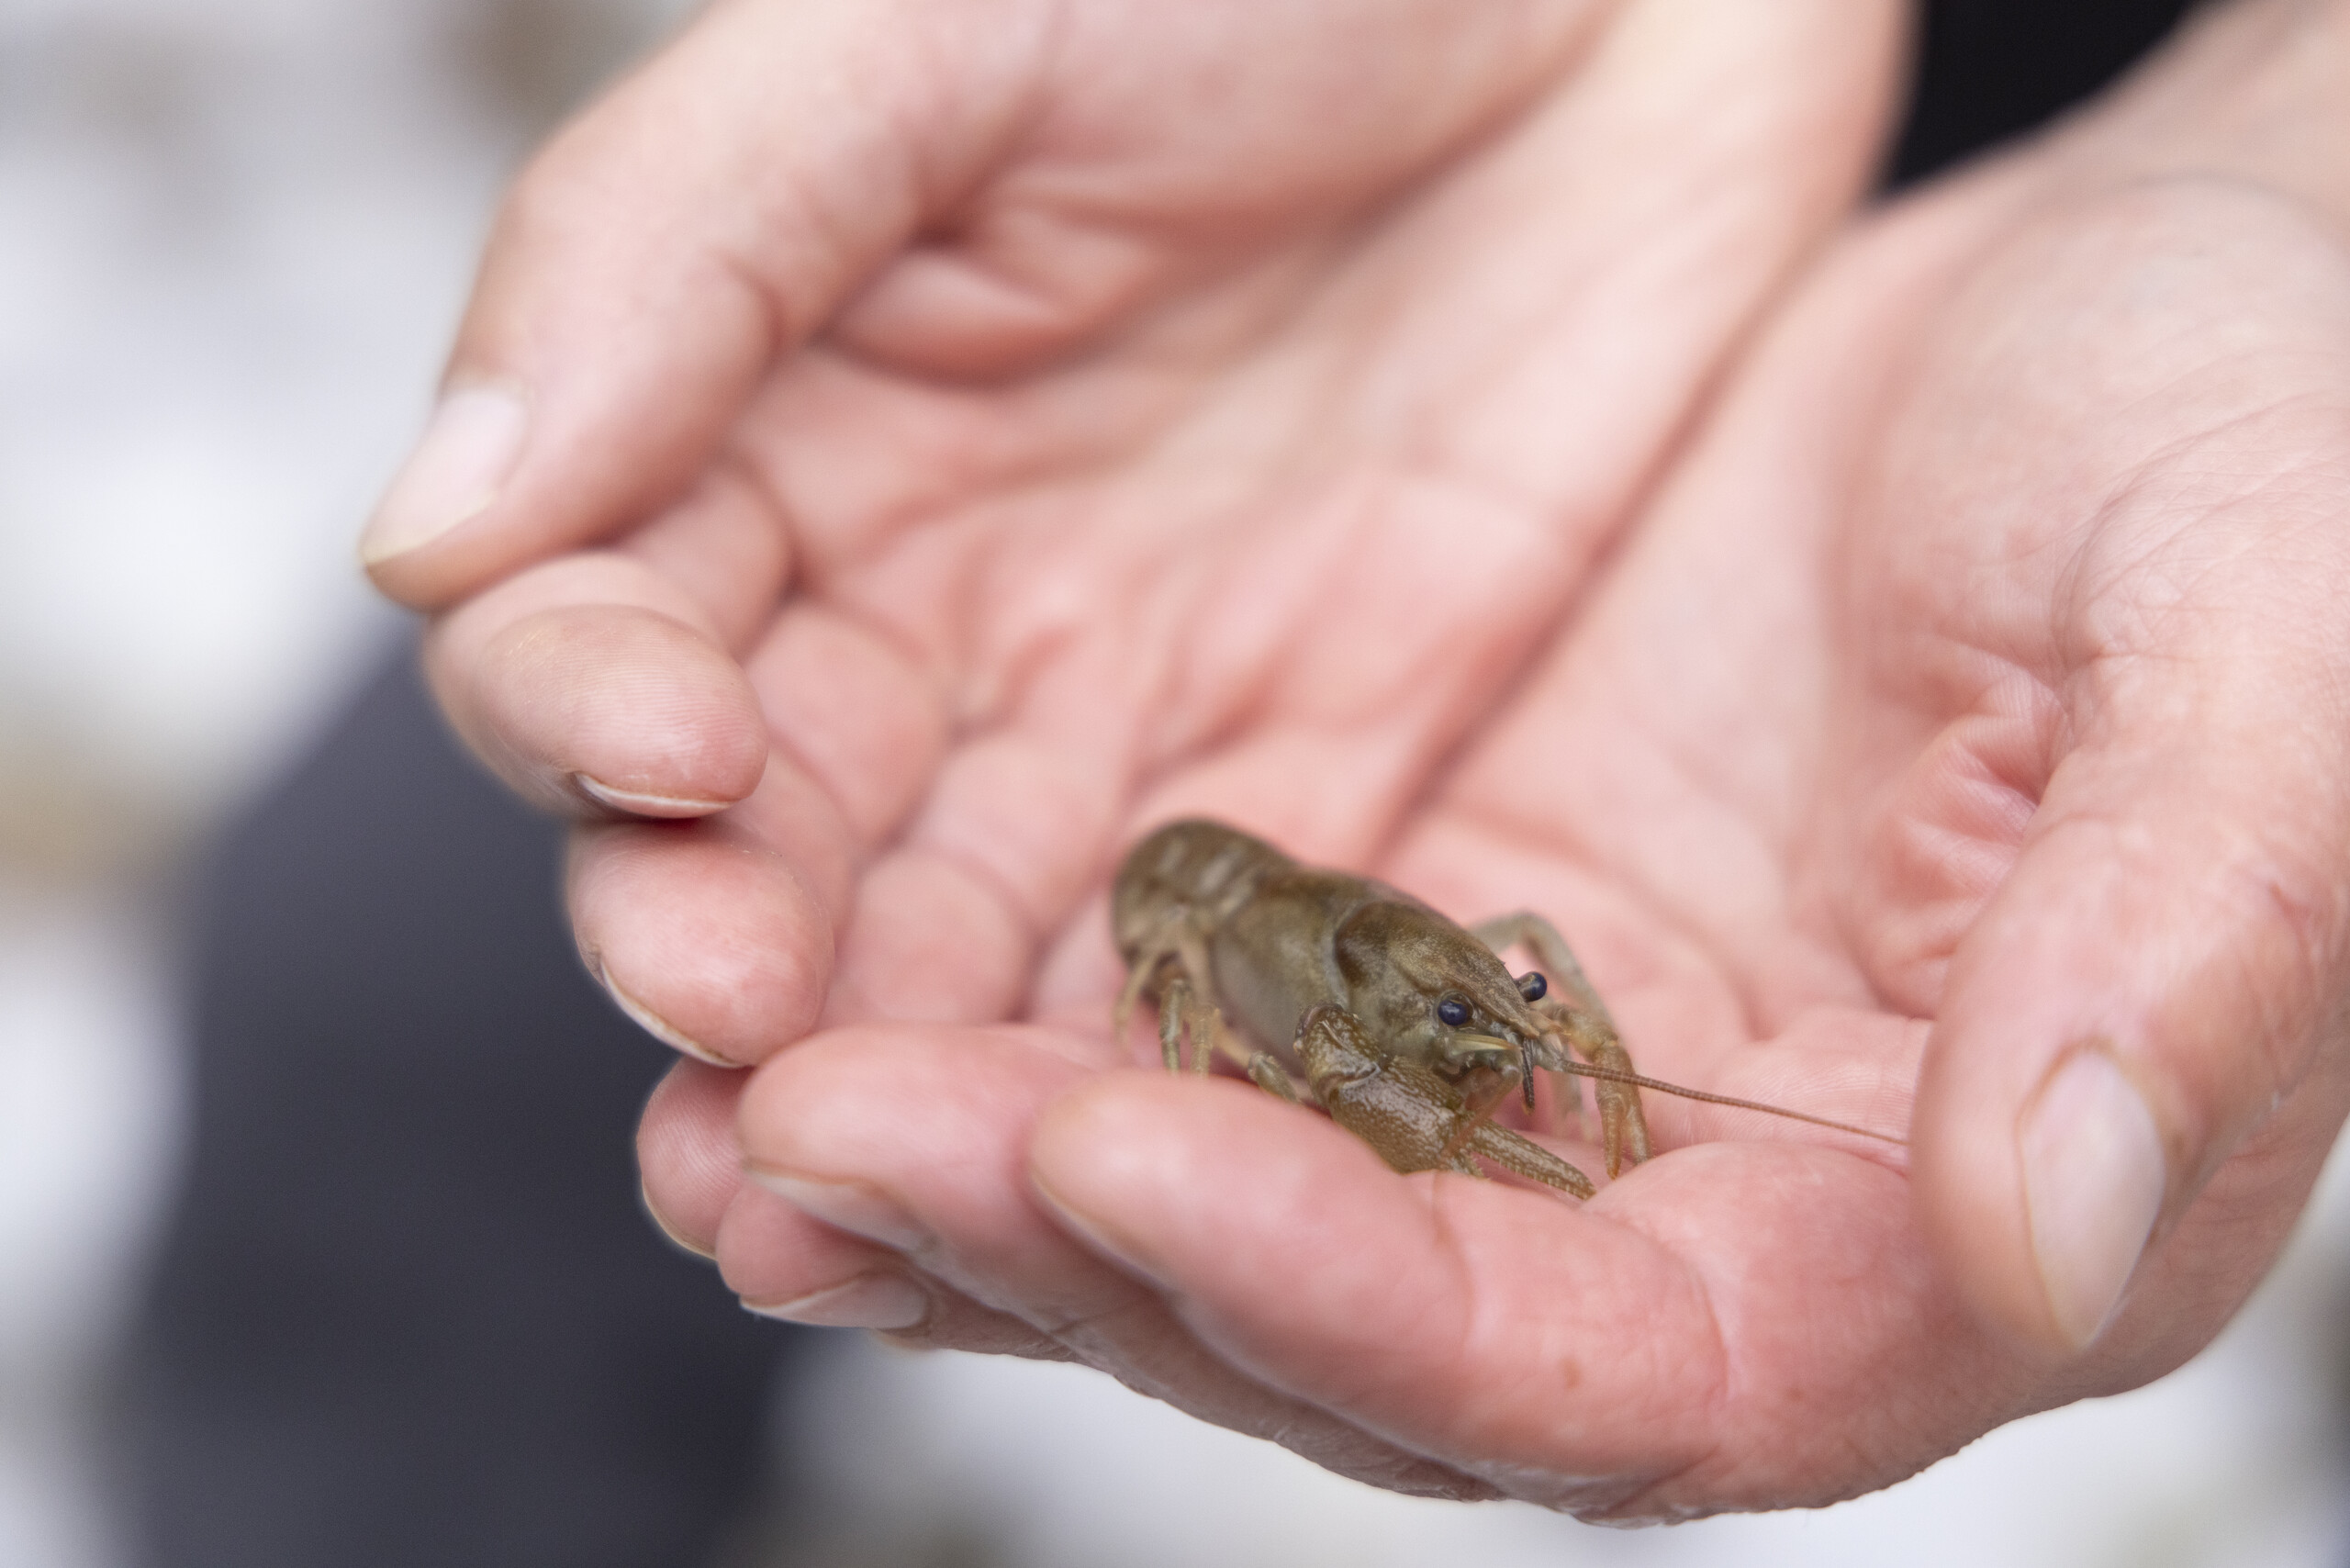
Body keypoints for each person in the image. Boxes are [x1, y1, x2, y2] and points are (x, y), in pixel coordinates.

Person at [163, 0, 2350, 1539]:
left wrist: (2295, 141)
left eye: (1492, 1017)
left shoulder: (1457, 980)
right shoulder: (1256, 960)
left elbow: (1496, 977)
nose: (1495, 1036)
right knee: (388, 992)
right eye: (1484, 1024)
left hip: (2103, 135)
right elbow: (1331, 1063)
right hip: (1477, 235)